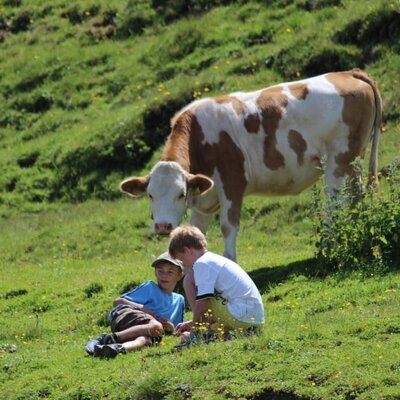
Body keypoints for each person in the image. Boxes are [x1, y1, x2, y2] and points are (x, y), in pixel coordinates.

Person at [168, 225, 264, 342]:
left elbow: (203, 304)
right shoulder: (212, 260)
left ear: (188, 251)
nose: (184, 265)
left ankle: (200, 334)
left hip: (241, 316)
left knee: (199, 293)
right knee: (189, 279)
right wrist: (194, 322)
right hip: (253, 319)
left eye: (182, 259)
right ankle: (218, 333)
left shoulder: (202, 264)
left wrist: (194, 331)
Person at [85, 251, 185, 358]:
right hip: (126, 316)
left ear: (180, 275)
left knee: (145, 340)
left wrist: (171, 328)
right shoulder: (150, 287)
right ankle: (104, 339)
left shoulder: (179, 300)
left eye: (170, 272)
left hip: (148, 331)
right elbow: (117, 302)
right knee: (155, 326)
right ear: (155, 272)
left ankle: (116, 349)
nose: (164, 276)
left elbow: (177, 330)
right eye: (160, 271)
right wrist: (142, 308)